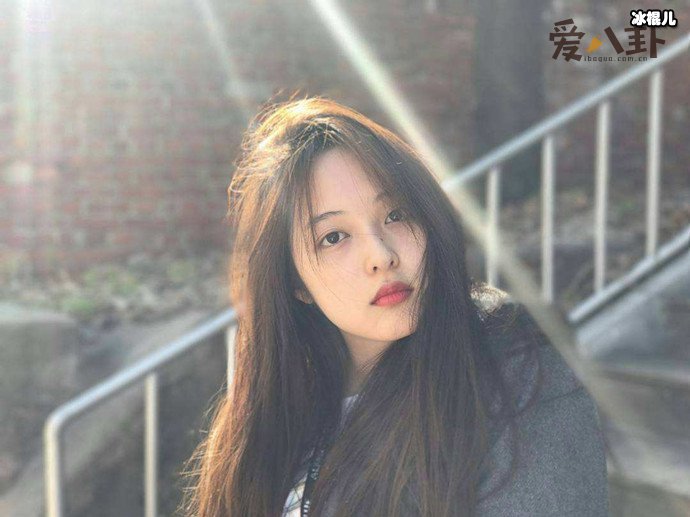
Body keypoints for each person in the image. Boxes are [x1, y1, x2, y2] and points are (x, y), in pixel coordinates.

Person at [181, 97, 609, 516]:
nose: (381, 256)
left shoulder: (519, 377)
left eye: (396, 215)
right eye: (334, 237)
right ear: (295, 283)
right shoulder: (280, 408)